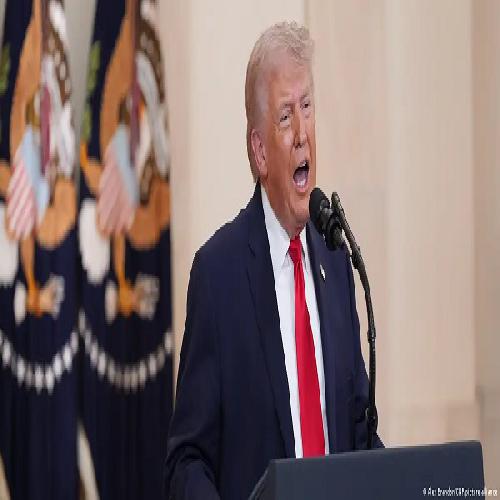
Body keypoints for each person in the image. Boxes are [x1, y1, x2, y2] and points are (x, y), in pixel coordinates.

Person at [164, 21, 382, 500]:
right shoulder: (218, 276)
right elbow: (187, 460)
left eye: (307, 108)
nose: (303, 133)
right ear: (260, 152)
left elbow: (358, 431)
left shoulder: (336, 260)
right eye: (285, 117)